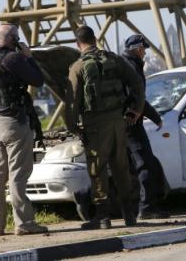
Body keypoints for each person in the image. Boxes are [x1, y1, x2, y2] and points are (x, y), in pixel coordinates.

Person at [65, 26, 145, 230]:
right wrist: (136, 110)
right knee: (121, 167)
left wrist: (73, 127)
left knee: (97, 169)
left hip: (94, 125)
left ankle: (102, 218)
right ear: (95, 39)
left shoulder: (77, 67)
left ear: (78, 44)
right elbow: (136, 82)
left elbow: (73, 101)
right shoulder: (113, 59)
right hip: (118, 121)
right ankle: (129, 215)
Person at [0, 23, 48, 236]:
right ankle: (24, 223)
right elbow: (38, 80)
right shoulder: (13, 59)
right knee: (18, 174)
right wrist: (29, 56)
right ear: (13, 39)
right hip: (13, 122)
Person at [120, 34, 169, 220]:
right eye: (144, 49)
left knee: (121, 167)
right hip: (132, 123)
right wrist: (156, 117)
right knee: (145, 163)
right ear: (138, 48)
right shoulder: (132, 66)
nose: (145, 53)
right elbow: (138, 98)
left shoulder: (120, 64)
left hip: (118, 123)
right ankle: (147, 207)